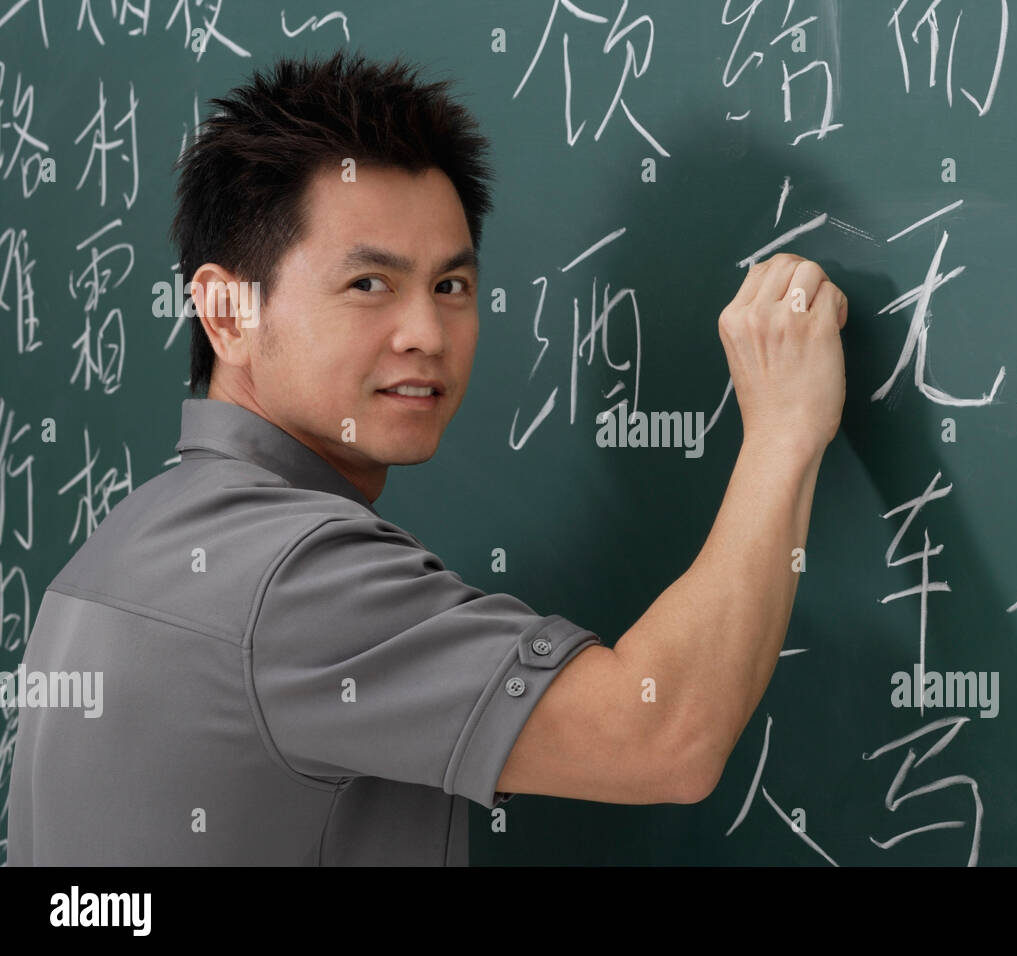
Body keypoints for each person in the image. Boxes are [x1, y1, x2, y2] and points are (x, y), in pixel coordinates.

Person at [7, 51, 847, 865]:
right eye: (369, 285)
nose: (426, 335)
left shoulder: (116, 550)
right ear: (226, 314)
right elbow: (662, 737)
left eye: (451, 286)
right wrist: (782, 433)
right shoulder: (294, 576)